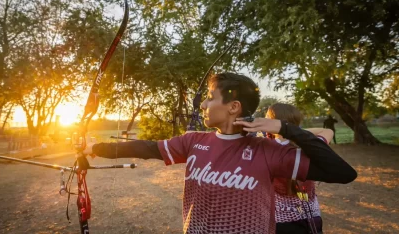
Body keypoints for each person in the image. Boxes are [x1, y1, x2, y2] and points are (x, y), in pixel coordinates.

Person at [83, 72, 357, 234]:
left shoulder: (267, 151)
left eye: (211, 97)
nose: (203, 103)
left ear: (233, 106)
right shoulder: (193, 141)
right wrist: (95, 148)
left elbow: (343, 173)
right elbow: (145, 148)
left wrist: (284, 128)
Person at [265, 103, 333, 234]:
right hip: (311, 219)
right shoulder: (310, 147)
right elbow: (328, 131)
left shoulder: (266, 149)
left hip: (280, 222)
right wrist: (295, 131)